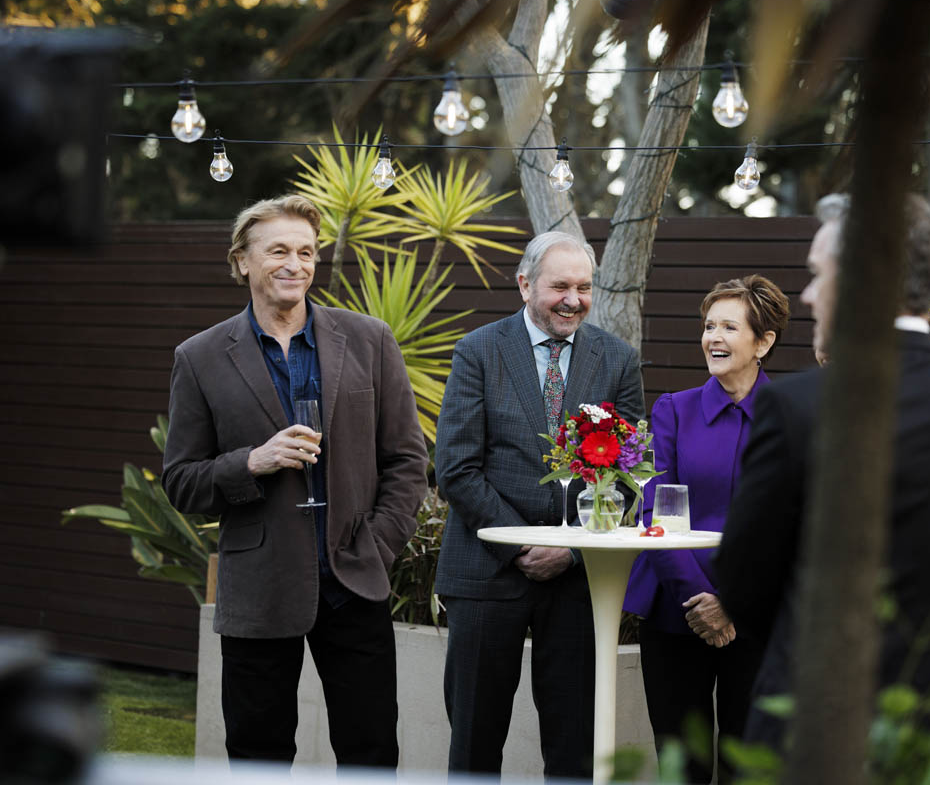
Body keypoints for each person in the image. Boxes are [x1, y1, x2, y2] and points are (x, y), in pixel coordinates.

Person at [714, 193, 930, 778]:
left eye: (819, 274)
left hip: (810, 729)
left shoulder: (798, 407)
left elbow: (743, 581)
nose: (809, 295)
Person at [162, 195, 429, 767]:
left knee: (371, 753)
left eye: (306, 252)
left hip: (354, 578)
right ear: (242, 261)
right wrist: (251, 462)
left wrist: (378, 545)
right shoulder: (200, 357)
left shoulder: (370, 339)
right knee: (257, 758)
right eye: (278, 250)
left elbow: (408, 460)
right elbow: (181, 481)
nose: (295, 264)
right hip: (259, 587)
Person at [434, 231, 645, 778]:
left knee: (574, 750)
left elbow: (627, 475)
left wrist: (569, 551)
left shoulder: (618, 359)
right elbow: (456, 467)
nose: (573, 300)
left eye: (584, 288)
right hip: (486, 571)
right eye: (560, 287)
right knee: (475, 747)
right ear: (525, 285)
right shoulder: (479, 350)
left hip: (576, 582)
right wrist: (525, 544)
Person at [623, 275, 789, 783]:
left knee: (751, 766)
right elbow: (654, 512)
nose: (713, 337)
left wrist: (732, 602)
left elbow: (793, 522)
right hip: (677, 610)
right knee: (681, 766)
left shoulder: (793, 416)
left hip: (759, 616)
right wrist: (699, 600)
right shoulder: (673, 410)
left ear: (763, 342)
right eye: (709, 325)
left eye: (729, 327)